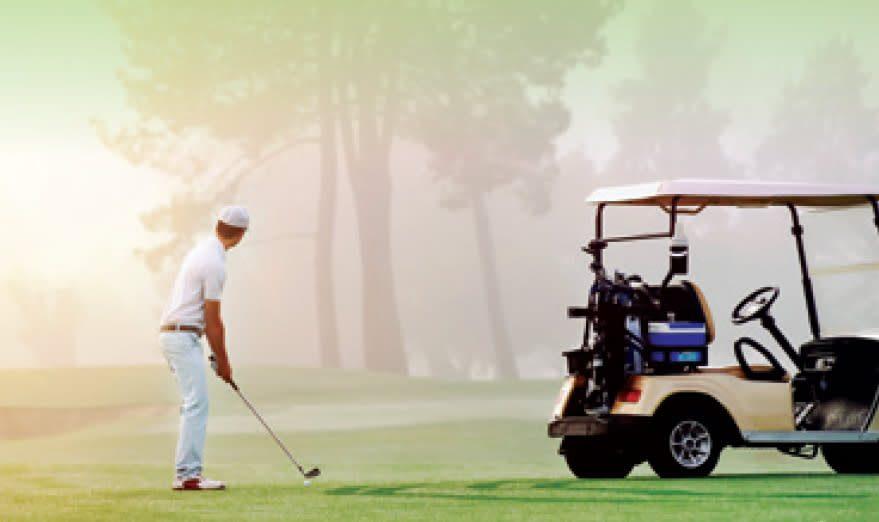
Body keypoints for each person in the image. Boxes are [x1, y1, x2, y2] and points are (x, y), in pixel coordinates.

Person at [158, 205, 249, 491]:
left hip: (180, 335)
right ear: (241, 235)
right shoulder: (215, 264)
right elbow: (213, 322)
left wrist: (217, 357)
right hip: (181, 336)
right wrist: (224, 361)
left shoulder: (202, 250)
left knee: (194, 402)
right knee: (196, 403)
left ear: (218, 225)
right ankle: (188, 475)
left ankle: (187, 473)